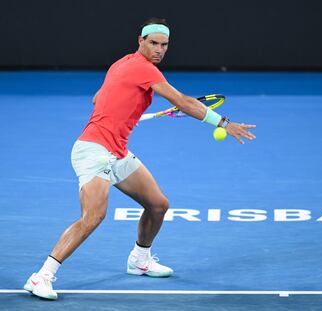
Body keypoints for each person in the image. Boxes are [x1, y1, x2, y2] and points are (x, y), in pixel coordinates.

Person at [23, 17, 256, 300]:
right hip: (94, 150)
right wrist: (223, 123)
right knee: (93, 216)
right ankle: (42, 276)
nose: (159, 49)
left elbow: (97, 99)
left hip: (117, 150)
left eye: (164, 45)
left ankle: (140, 259)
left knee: (158, 205)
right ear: (141, 41)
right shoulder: (143, 68)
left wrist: (124, 110)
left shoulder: (121, 63)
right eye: (153, 43)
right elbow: (182, 101)